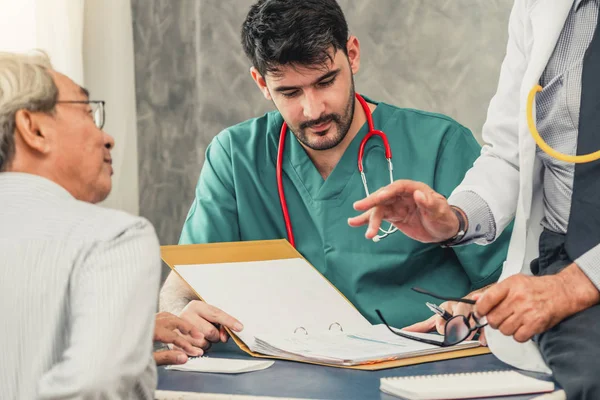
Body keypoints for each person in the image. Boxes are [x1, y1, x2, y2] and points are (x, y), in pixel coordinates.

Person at [159, 0, 512, 345]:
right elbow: (183, 286)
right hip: (282, 373)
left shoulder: (439, 145)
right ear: (261, 83)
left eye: (326, 82)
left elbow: (513, 276)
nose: (313, 110)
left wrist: (472, 311)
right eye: (290, 92)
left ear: (352, 55)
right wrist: (183, 313)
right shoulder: (235, 156)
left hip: (418, 365)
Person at [349, 0, 600, 397]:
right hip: (566, 248)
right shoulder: (541, 8)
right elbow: (509, 149)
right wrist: (456, 218)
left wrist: (575, 285)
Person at [0, 51, 199, 398]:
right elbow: (94, 386)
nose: (108, 138)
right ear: (33, 128)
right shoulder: (114, 238)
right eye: (88, 113)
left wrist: (119, 334)